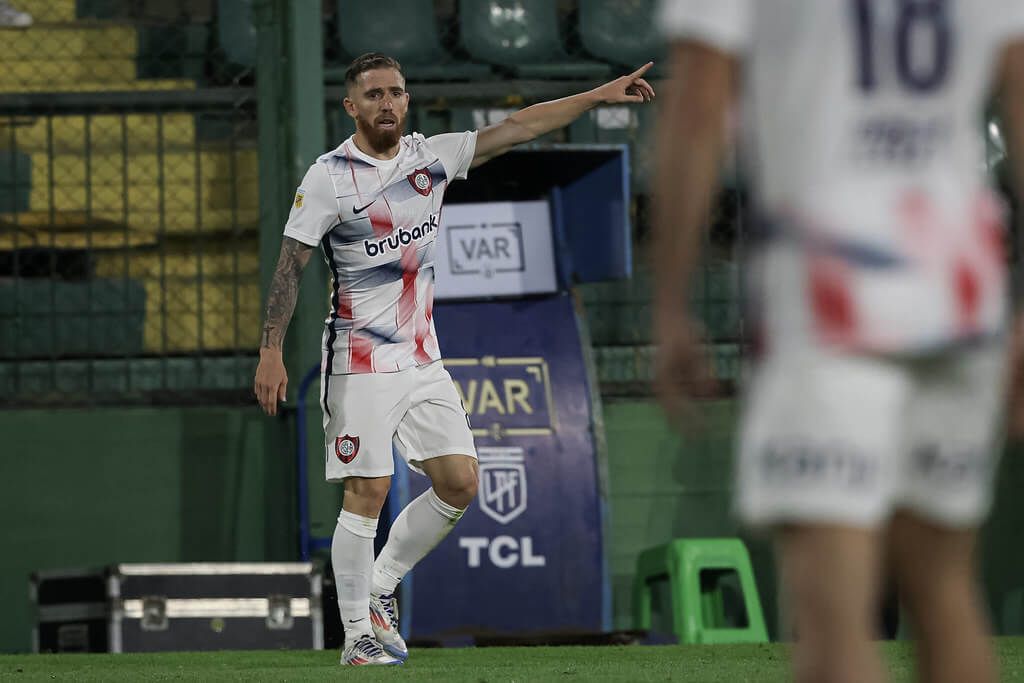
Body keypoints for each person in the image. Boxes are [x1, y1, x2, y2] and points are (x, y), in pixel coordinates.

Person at [652, 2, 1024, 682]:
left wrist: (672, 300)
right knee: (943, 588)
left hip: (828, 283)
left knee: (830, 616)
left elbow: (700, 98)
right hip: (960, 280)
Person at [254, 52, 654, 666]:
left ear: (406, 100)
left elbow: (521, 125)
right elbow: (290, 266)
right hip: (359, 360)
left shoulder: (430, 157)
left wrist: (599, 95)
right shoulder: (330, 177)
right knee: (370, 488)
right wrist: (271, 350)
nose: (387, 103)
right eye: (374, 94)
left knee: (461, 482)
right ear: (351, 106)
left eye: (396, 92)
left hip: (422, 359)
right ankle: (357, 634)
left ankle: (383, 585)